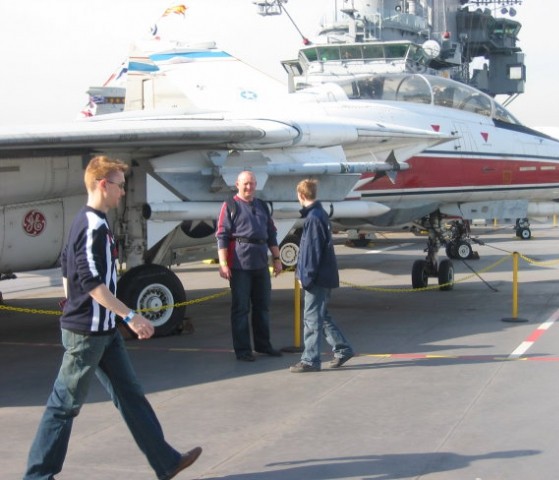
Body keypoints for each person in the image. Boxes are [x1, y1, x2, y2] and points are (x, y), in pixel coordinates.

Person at [24, 156, 201, 480]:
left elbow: (68, 266)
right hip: (87, 335)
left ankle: (166, 461)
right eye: (119, 185)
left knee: (130, 396)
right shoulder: (91, 225)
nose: (123, 192)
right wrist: (131, 316)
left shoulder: (90, 222)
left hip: (103, 331)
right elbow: (92, 283)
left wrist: (75, 303)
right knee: (64, 406)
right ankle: (37, 476)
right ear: (103, 185)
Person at [216, 170, 283, 361]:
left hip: (261, 263)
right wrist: (223, 264)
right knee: (241, 309)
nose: (249, 187)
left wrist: (277, 259)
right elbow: (221, 236)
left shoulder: (262, 205)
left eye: (252, 183)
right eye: (245, 183)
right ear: (237, 184)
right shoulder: (229, 205)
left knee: (262, 307)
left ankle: (263, 345)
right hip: (239, 266)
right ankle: (243, 350)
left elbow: (271, 234)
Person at [290, 179, 354, 373]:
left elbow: (311, 252)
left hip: (316, 278)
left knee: (311, 320)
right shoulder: (320, 215)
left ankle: (310, 359)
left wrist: (305, 277)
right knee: (322, 316)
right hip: (324, 276)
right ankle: (343, 349)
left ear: (300, 195)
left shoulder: (313, 218)